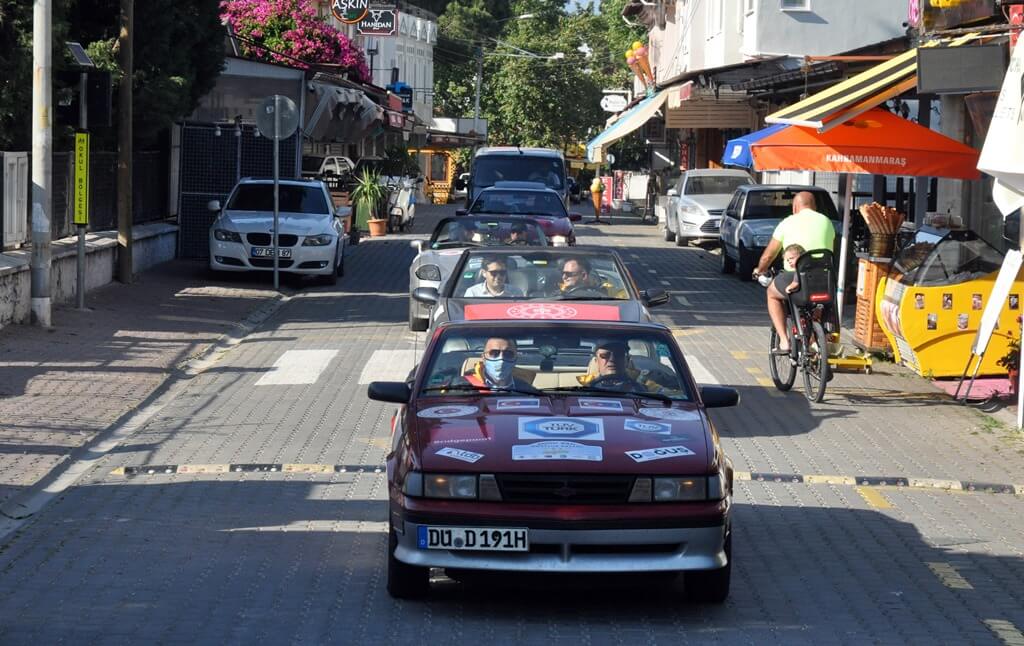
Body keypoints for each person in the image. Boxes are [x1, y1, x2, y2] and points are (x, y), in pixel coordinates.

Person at [752, 191, 836, 352]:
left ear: (795, 207)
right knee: (817, 305)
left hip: (796, 277)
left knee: (772, 293)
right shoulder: (827, 222)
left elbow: (769, 255)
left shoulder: (787, 223)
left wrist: (759, 270)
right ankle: (814, 337)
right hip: (824, 278)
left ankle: (784, 340)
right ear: (814, 206)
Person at [576, 339, 658, 393]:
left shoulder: (644, 383)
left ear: (627, 360)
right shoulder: (586, 384)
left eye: (618, 354)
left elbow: (667, 396)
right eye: (605, 355)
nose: (612, 359)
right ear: (596, 361)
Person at [461, 337, 535, 391]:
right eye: (494, 353)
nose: (501, 359)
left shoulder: (527, 391)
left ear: (516, 359)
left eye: (508, 354)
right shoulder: (462, 387)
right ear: (483, 357)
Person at [559, 257, 628, 298]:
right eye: (563, 273)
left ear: (583, 275)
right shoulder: (555, 294)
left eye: (569, 274)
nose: (564, 277)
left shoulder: (609, 290)